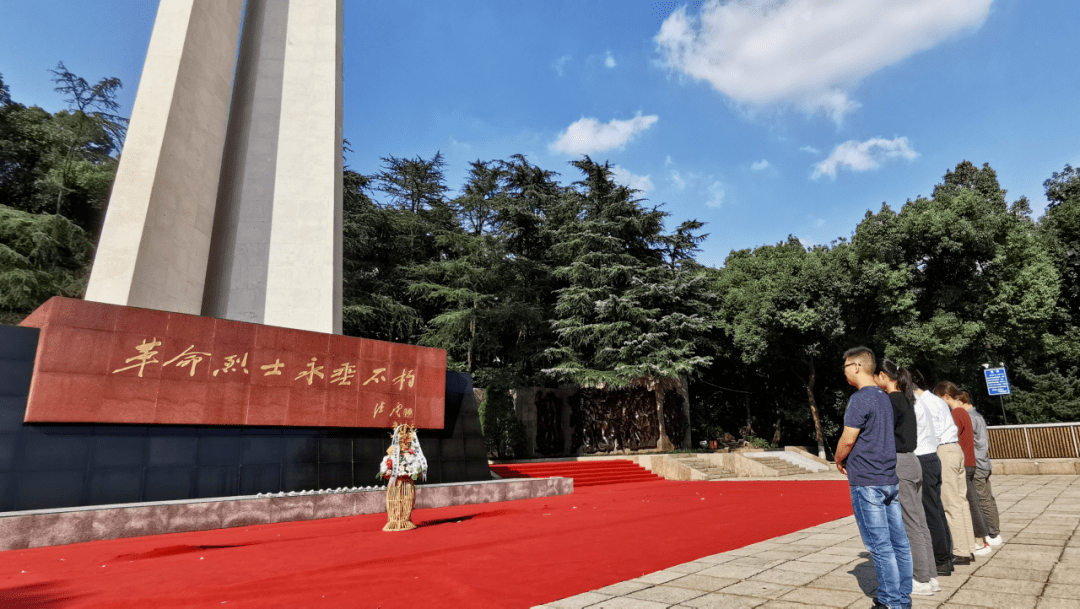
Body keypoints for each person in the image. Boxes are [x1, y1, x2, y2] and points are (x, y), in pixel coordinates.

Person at [836, 347, 913, 609]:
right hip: (888, 477)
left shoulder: (860, 399)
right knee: (898, 542)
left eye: (845, 366)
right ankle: (902, 597)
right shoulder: (884, 397)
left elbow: (848, 439)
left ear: (856, 367)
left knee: (880, 546)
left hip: (867, 480)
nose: (844, 371)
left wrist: (838, 458)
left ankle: (891, 602)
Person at [875, 360, 938, 596]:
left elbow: (882, 435)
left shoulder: (891, 400)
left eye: (875, 376)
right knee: (919, 521)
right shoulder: (907, 398)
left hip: (900, 462)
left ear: (882, 376)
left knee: (910, 523)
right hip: (913, 460)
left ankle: (920, 578)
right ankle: (930, 575)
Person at [921, 375, 979, 564]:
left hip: (945, 449)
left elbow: (935, 431)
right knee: (961, 502)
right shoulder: (957, 409)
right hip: (955, 449)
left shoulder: (941, 407)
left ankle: (961, 550)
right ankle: (968, 547)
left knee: (950, 502)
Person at [935, 383, 994, 556]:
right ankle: (977, 540)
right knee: (968, 502)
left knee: (968, 503)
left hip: (963, 461)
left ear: (946, 397)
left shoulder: (955, 413)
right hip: (968, 460)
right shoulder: (964, 412)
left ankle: (980, 540)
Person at [909, 372, 953, 577]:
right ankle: (945, 554)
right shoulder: (931, 401)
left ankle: (940, 558)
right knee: (936, 507)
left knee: (930, 510)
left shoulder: (922, 402)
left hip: (927, 454)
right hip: (932, 454)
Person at [962, 392, 1002, 545]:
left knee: (982, 499)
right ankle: (994, 530)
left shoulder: (970, 418)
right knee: (987, 498)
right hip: (984, 463)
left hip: (977, 464)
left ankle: (991, 532)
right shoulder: (977, 416)